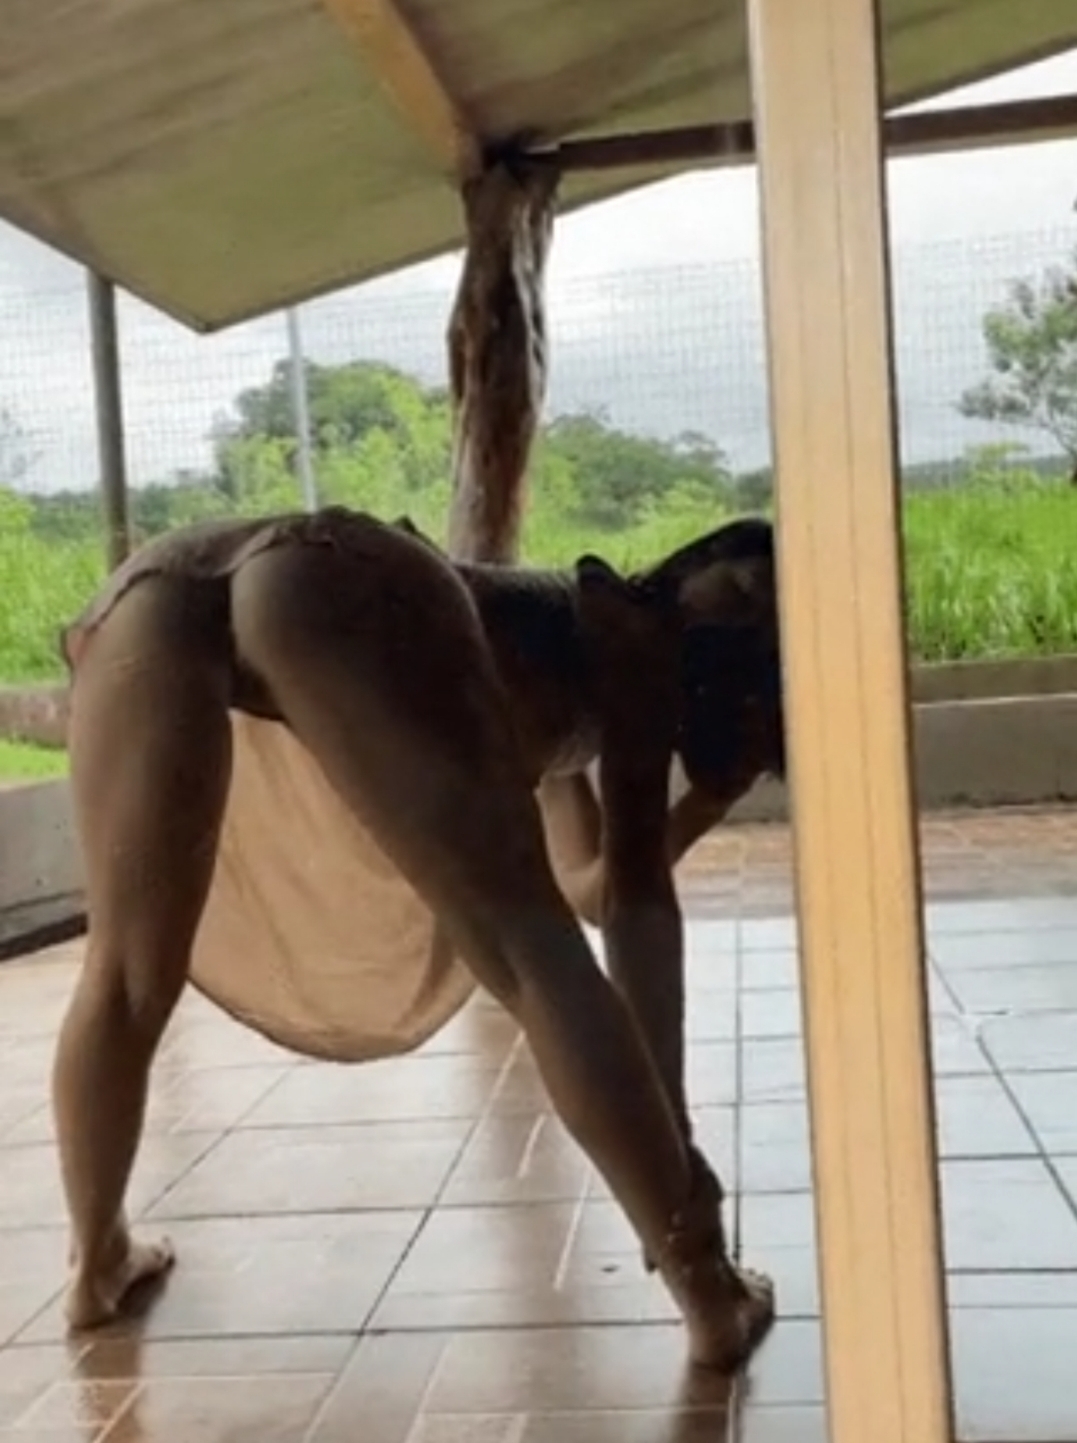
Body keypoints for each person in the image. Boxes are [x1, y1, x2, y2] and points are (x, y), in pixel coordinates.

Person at [52, 504, 784, 1369]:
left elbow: (593, 884)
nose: (735, 609)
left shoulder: (575, 632)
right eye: (741, 583)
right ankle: (708, 1294)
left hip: (164, 582)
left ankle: (97, 1260)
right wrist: (677, 1149)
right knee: (529, 953)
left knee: (125, 973)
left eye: (759, 609)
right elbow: (633, 911)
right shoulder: (634, 633)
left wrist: (703, 803)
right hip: (328, 572)